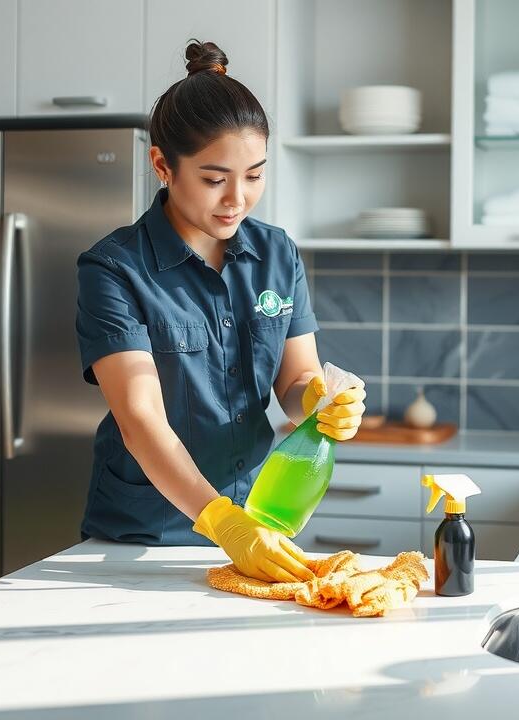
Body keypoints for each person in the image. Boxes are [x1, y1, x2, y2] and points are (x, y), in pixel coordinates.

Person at [75, 40, 366, 583]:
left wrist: (320, 401)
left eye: (254, 175)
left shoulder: (277, 253)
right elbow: (140, 419)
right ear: (163, 165)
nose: (237, 199)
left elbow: (295, 381)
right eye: (214, 179)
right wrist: (222, 522)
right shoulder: (114, 268)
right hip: (145, 538)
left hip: (260, 522)